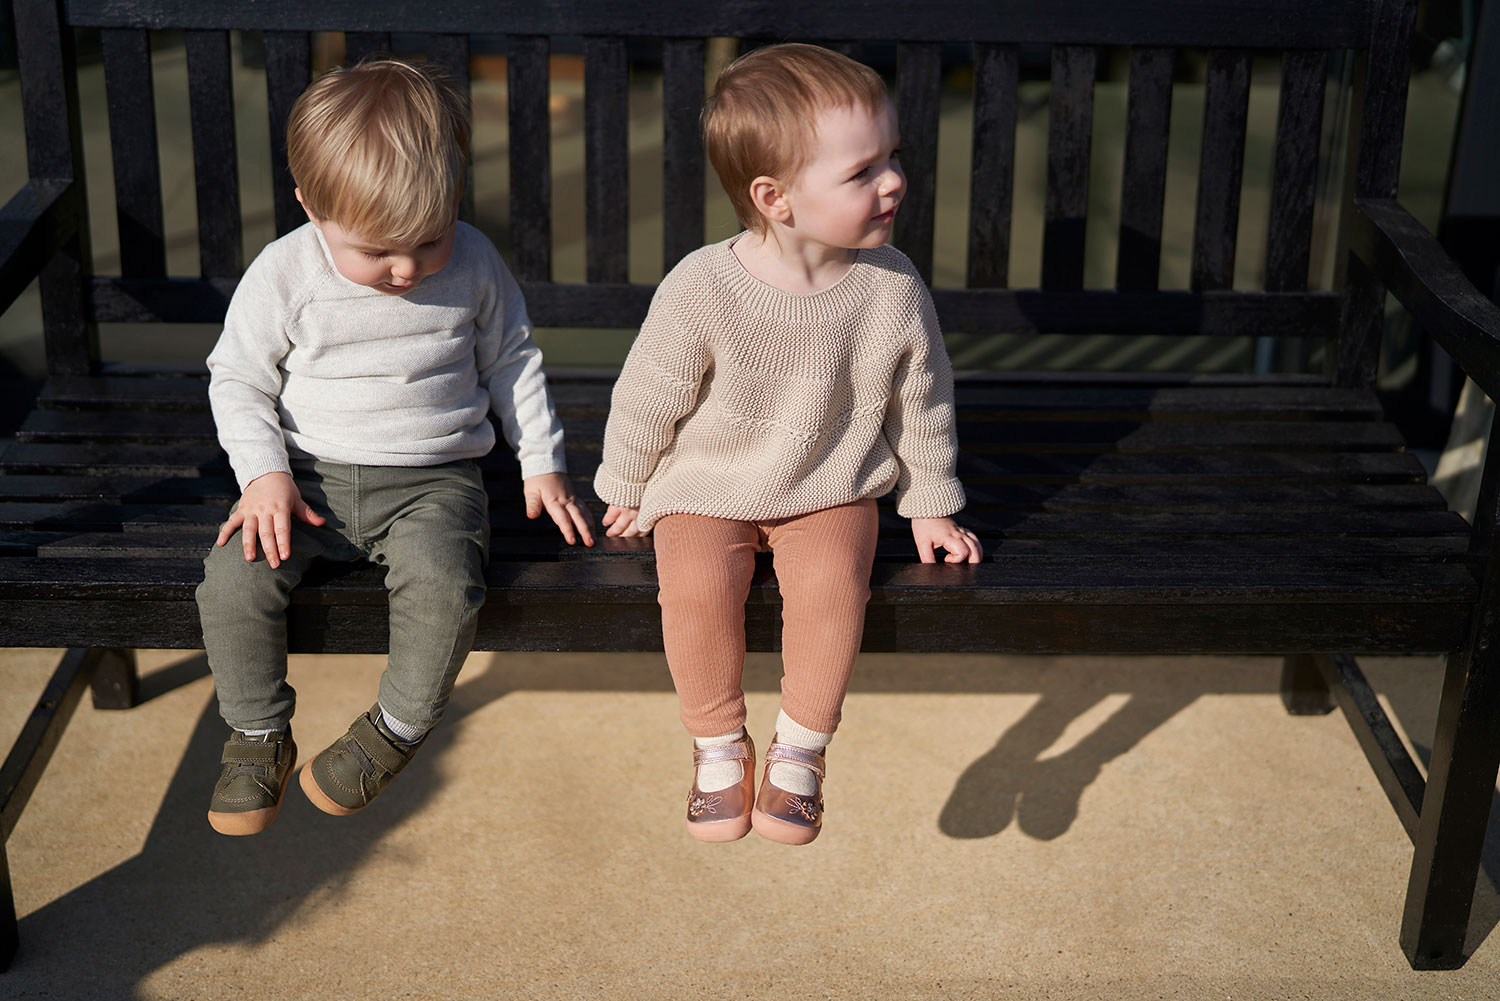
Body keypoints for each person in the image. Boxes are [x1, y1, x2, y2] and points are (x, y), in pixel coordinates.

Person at [595, 43, 981, 846]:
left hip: (831, 482)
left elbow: (923, 402)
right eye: (862, 172)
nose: (894, 182)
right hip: (709, 481)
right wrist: (627, 486)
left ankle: (801, 748)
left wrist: (932, 505)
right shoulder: (703, 286)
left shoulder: (892, 287)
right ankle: (716, 743)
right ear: (775, 198)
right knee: (696, 584)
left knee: (836, 584)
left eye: (893, 158)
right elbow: (648, 394)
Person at [197, 59, 593, 836]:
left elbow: (513, 359)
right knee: (232, 581)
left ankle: (395, 731)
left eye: (429, 238)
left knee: (446, 587)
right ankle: (255, 735)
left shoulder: (475, 261)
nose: (407, 268)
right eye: (377, 251)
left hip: (433, 482)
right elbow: (236, 379)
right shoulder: (285, 272)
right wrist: (264, 475)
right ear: (311, 206)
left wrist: (541, 459)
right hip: (306, 480)